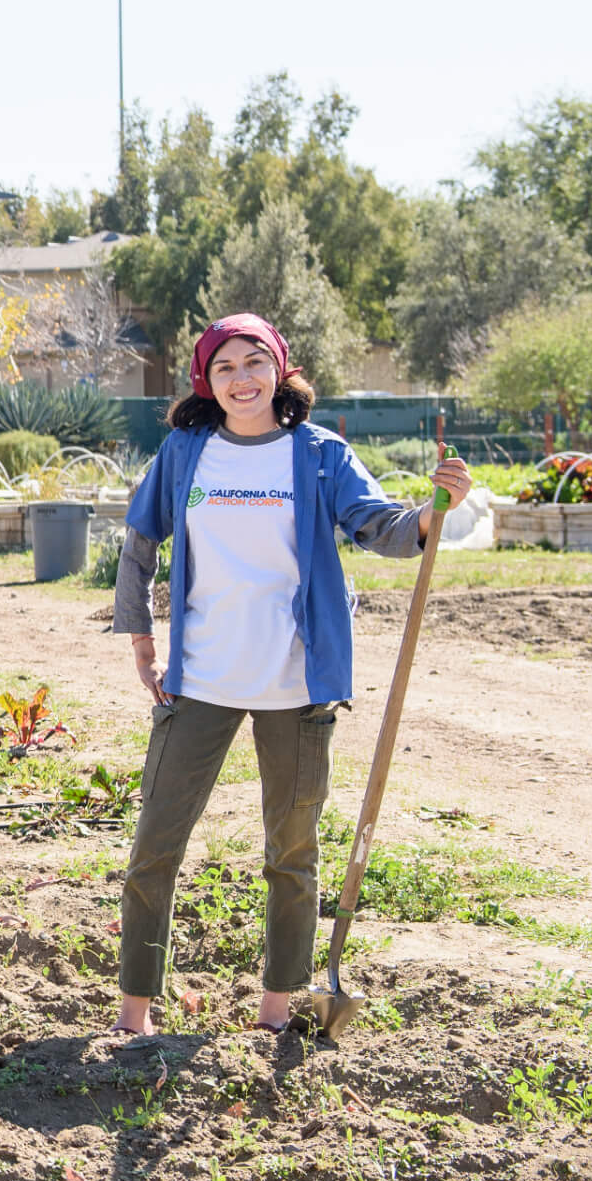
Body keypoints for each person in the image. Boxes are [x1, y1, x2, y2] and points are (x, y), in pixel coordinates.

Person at [108, 314, 471, 1042]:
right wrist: (142, 636)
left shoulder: (319, 453)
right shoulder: (186, 452)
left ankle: (276, 1009)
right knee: (155, 845)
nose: (241, 380)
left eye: (254, 363)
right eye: (224, 369)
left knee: (292, 853)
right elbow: (140, 541)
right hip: (202, 679)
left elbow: (376, 525)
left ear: (280, 369)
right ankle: (134, 1013)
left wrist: (434, 515)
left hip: (297, 687)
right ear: (205, 384)